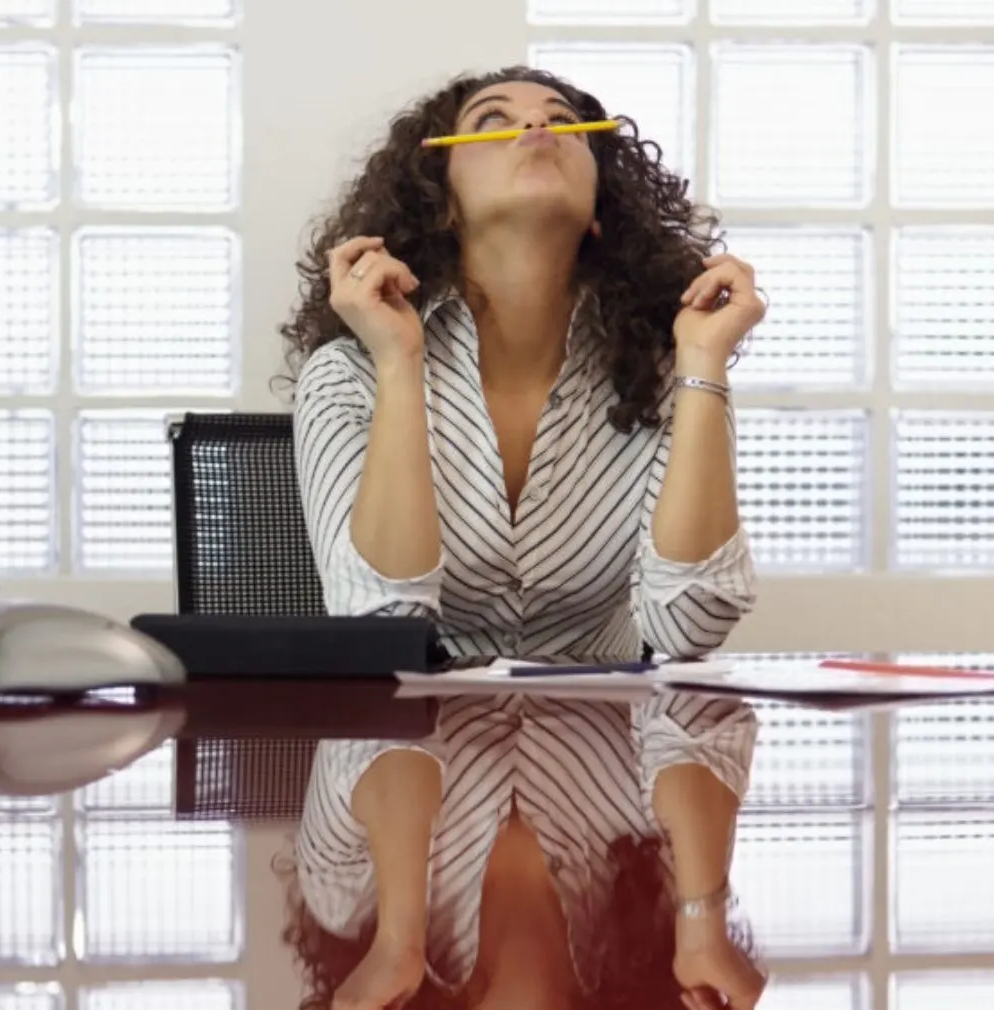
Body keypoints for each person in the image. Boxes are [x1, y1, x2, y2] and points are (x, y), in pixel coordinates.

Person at [285, 68, 761, 660]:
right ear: (443, 203)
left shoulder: (668, 370)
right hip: (408, 738)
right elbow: (382, 625)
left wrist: (702, 363)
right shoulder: (348, 376)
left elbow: (689, 630)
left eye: (565, 122)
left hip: (606, 741)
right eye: (492, 120)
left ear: (598, 207)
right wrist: (400, 363)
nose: (537, 125)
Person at [283, 692, 766, 1010]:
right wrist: (703, 918)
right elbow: (694, 702)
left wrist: (399, 935)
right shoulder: (676, 921)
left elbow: (378, 702)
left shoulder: (348, 900)